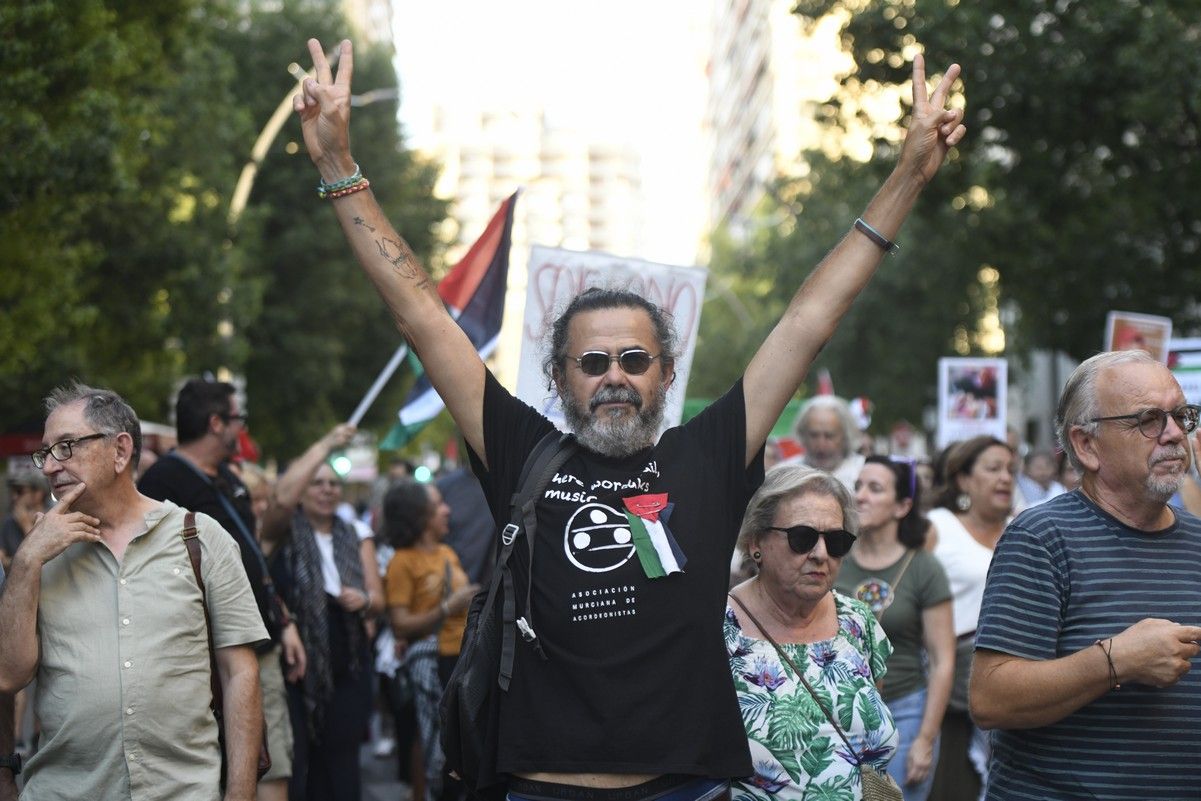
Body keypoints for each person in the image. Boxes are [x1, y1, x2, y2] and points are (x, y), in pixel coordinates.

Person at [296, 36, 965, 797]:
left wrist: (908, 173)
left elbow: (811, 316)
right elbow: (421, 315)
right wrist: (337, 169)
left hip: (683, 786)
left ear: (665, 373)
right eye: (592, 362)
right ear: (559, 378)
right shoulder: (522, 450)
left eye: (634, 360)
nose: (614, 375)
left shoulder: (707, 454)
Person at [0, 382, 266, 800]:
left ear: (120, 451)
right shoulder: (37, 553)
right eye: (46, 452)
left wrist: (240, 794)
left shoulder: (200, 537)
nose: (50, 466)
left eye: (66, 447)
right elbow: (8, 675)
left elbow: (240, 673)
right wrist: (26, 561)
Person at [970, 351, 1201, 799]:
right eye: (1148, 420)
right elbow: (991, 698)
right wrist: (1116, 660)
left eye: (1181, 415)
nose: (1174, 434)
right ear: (1086, 445)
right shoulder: (1041, 537)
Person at [138, 379, 306, 801]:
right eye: (238, 420)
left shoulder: (229, 478)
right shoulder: (162, 481)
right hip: (213, 660)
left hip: (260, 646)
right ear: (216, 423)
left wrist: (281, 620)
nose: (241, 430)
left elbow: (252, 559)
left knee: (272, 769)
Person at [727, 465, 897, 800]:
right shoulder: (718, 629)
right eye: (801, 538)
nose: (820, 554)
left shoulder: (857, 621)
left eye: (835, 541)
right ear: (755, 542)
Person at [838, 456, 954, 800]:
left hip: (904, 711)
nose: (860, 496)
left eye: (875, 488)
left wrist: (925, 738)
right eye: (858, 486)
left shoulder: (924, 567)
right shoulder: (833, 557)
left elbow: (942, 660)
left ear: (903, 505)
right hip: (843, 713)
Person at [272, 444, 383, 801]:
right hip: (299, 658)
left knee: (341, 761)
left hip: (348, 656)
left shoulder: (355, 534)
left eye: (333, 484)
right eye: (317, 483)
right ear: (301, 490)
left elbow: (379, 600)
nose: (326, 490)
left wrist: (364, 600)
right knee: (301, 760)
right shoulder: (284, 533)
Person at [925, 436, 1013, 801]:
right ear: (962, 479)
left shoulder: (1024, 528)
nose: (1005, 478)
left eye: (1011, 469)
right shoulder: (937, 526)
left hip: (1008, 687)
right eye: (993, 469)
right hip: (947, 690)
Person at [382, 480, 479, 801]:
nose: (447, 510)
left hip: (460, 661)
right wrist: (448, 607)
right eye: (438, 505)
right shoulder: (402, 561)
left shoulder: (447, 552)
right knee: (435, 748)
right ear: (419, 515)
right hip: (433, 663)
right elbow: (399, 624)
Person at [792, 395, 866, 490]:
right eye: (814, 435)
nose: (821, 444)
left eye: (829, 436)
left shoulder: (864, 472)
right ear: (803, 435)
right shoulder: (787, 474)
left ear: (845, 436)